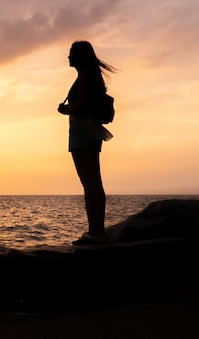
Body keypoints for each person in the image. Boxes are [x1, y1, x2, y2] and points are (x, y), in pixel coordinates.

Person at [57, 40, 116, 245]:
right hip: (92, 133)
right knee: (96, 183)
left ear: (80, 56)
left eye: (71, 53)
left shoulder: (83, 76)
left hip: (81, 131)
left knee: (89, 183)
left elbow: (84, 102)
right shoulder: (94, 76)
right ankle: (98, 231)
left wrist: (67, 110)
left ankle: (95, 232)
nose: (68, 57)